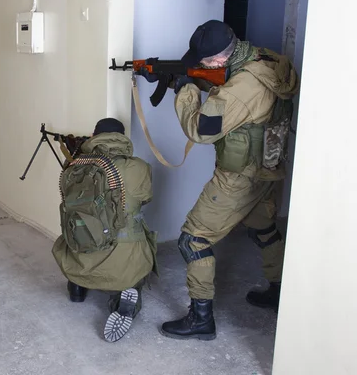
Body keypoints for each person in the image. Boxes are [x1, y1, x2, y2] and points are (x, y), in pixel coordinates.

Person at [139, 20, 299, 341]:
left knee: (193, 240)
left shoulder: (243, 89)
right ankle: (281, 292)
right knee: (264, 228)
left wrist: (184, 88)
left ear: (218, 61)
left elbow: (202, 129)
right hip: (267, 167)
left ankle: (201, 319)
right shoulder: (262, 59)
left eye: (204, 63)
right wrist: (177, 78)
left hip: (238, 177)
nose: (200, 65)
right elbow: (229, 91)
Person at [52, 118, 158, 343]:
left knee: (79, 229)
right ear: (122, 137)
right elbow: (145, 198)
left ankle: (77, 288)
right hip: (122, 255)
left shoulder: (73, 166)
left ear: (93, 136)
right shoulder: (137, 167)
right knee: (138, 243)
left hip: (79, 251)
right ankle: (124, 299)